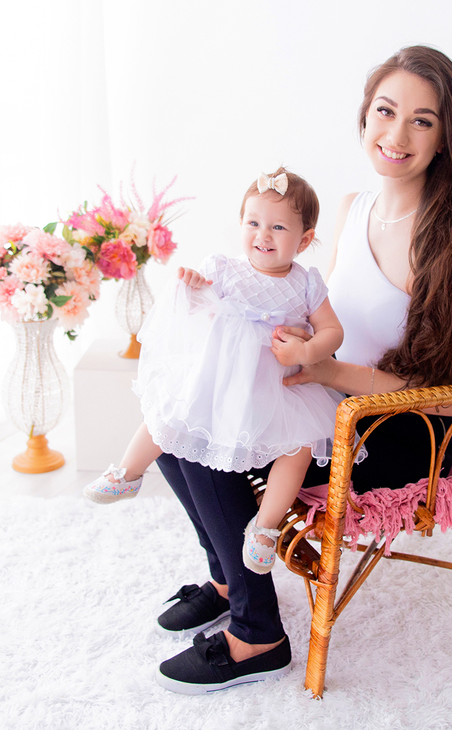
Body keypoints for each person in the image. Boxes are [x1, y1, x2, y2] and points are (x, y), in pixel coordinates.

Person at [152, 45, 452, 695]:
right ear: (365, 116)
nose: (396, 135)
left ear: (445, 135)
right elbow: (321, 309)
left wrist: (328, 372)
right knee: (177, 423)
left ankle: (256, 633)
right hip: (327, 394)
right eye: (385, 111)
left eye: (422, 121)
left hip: (398, 431)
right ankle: (231, 578)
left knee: (209, 451)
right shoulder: (355, 206)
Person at [82, 168, 346, 578]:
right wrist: (189, 286)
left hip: (279, 391)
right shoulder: (223, 270)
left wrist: (310, 348)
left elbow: (333, 331)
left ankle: (264, 527)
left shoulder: (306, 284)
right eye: (254, 223)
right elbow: (196, 314)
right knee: (168, 414)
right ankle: (128, 473)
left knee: (298, 450)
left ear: (305, 239)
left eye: (278, 227)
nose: (264, 234)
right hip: (221, 385)